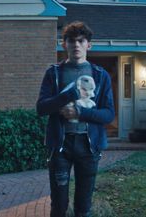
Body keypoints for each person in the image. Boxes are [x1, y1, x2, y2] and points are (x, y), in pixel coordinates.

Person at [36, 21, 115, 217]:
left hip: (88, 147)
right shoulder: (53, 73)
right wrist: (69, 94)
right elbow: (41, 108)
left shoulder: (100, 75)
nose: (76, 45)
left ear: (89, 45)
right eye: (71, 41)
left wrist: (80, 113)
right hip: (60, 147)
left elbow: (108, 114)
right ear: (64, 44)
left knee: (83, 207)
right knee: (59, 206)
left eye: (81, 41)